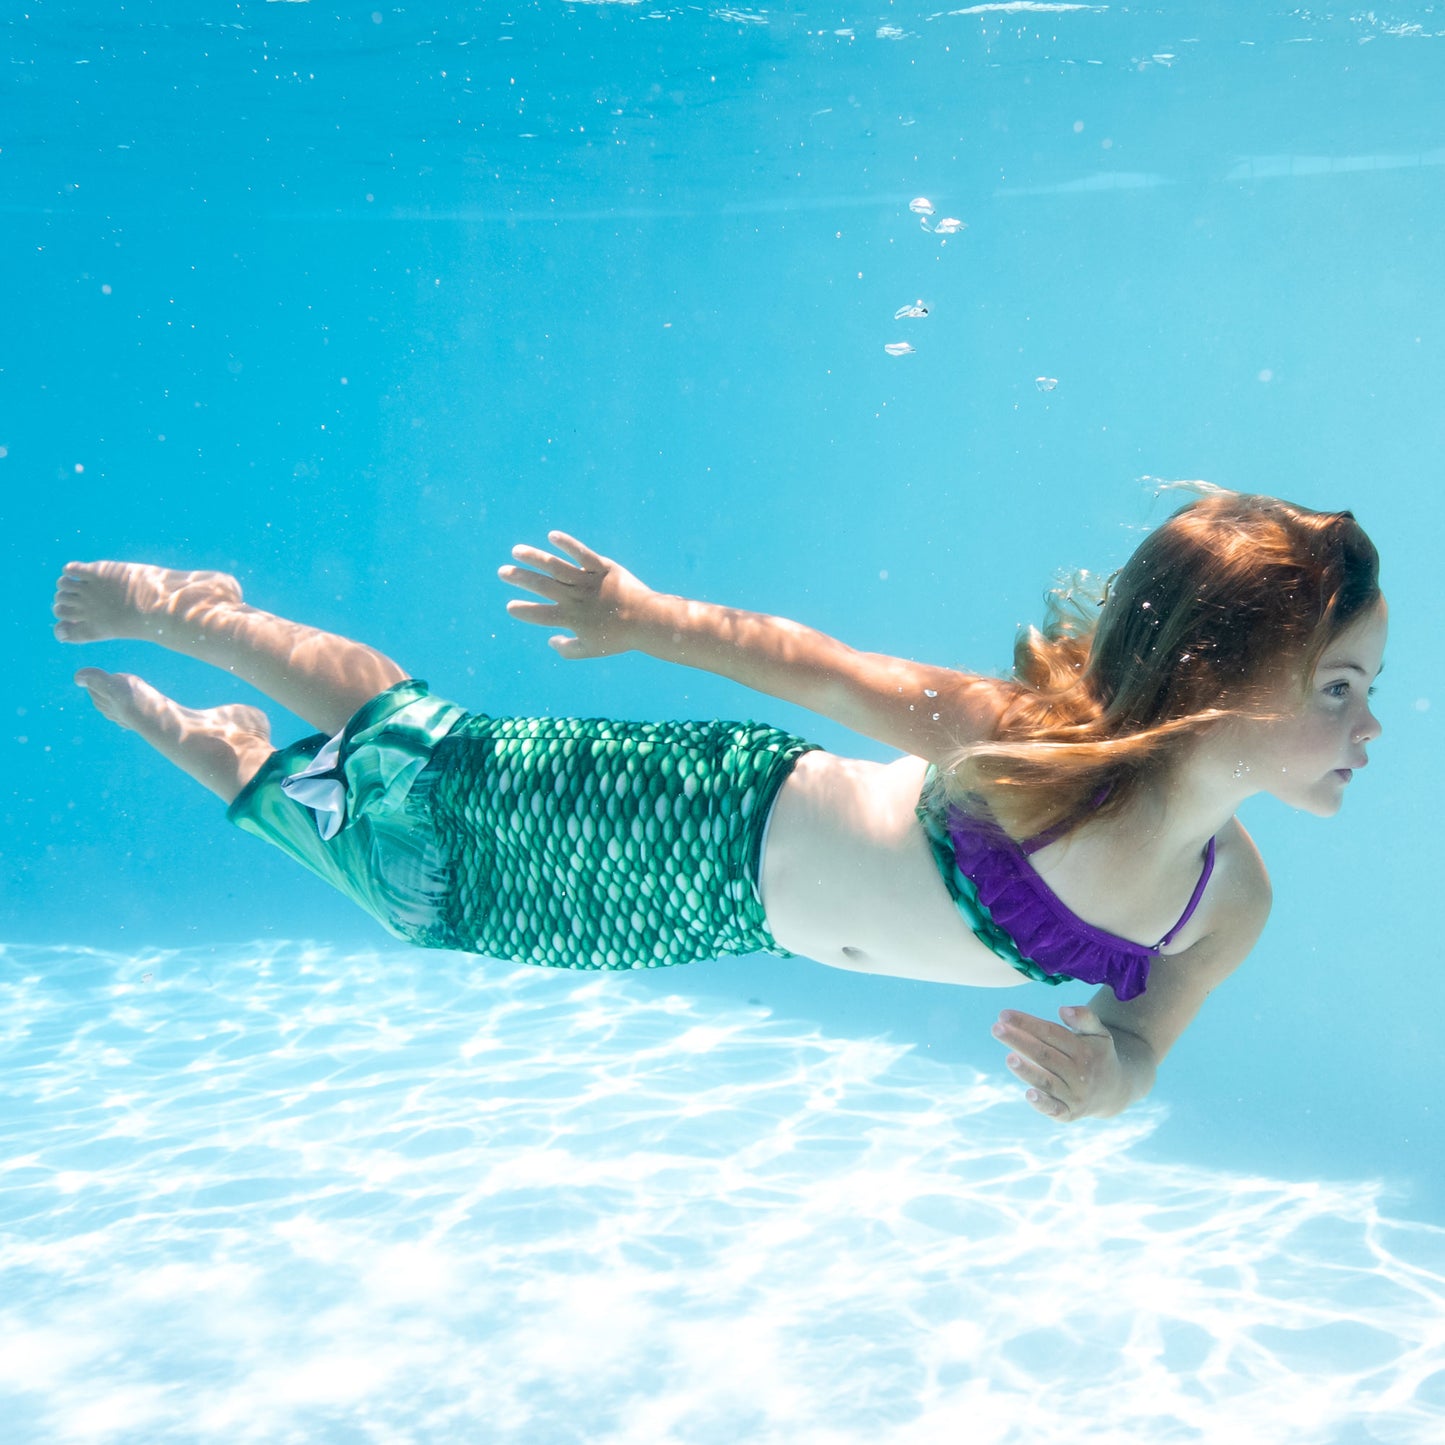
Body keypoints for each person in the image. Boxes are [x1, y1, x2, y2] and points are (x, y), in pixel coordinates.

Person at [52, 489, 1385, 1123]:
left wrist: (1110, 1077)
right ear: (1213, 674)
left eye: (1368, 688)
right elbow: (816, 666)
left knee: (432, 900)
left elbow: (1149, 1033)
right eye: (1337, 686)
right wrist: (647, 617)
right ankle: (201, 614)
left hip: (713, 910)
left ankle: (233, 758)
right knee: (432, 764)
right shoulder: (1023, 743)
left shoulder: (1228, 904)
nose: (1369, 728)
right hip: (707, 815)